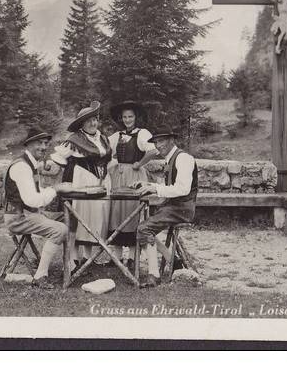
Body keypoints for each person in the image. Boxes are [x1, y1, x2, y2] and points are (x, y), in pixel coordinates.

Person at [4, 127, 73, 290]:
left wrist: (56, 189)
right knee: (60, 229)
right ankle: (40, 275)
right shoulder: (22, 167)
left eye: (45, 143)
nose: (43, 147)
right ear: (28, 145)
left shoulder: (31, 164)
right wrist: (56, 189)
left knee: (71, 218)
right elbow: (32, 200)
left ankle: (71, 264)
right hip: (17, 218)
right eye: (39, 143)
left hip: (29, 213)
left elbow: (36, 194)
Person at [50, 101, 112, 265]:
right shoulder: (74, 140)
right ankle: (72, 259)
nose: (93, 123)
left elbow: (107, 159)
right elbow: (58, 160)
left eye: (95, 119)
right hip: (80, 180)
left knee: (94, 219)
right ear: (82, 123)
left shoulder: (103, 138)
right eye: (89, 120)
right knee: (78, 218)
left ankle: (87, 257)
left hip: (100, 182)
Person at [135, 126, 198, 288]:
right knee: (143, 227)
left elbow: (182, 189)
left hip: (182, 208)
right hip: (172, 206)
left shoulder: (183, 158)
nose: (158, 145)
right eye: (156, 142)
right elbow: (166, 184)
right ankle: (172, 260)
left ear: (172, 140)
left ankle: (154, 276)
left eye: (161, 141)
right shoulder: (170, 158)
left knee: (144, 229)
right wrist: (147, 184)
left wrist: (155, 189)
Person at [106, 100, 158, 268]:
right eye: (124, 117)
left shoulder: (142, 133)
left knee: (133, 212)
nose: (127, 119)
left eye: (130, 116)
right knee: (117, 213)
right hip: (118, 176)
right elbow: (106, 150)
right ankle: (116, 258)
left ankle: (134, 258)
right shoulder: (117, 135)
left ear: (136, 117)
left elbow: (153, 150)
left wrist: (140, 163)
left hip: (134, 176)